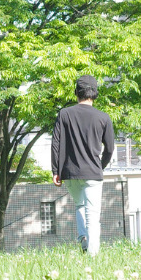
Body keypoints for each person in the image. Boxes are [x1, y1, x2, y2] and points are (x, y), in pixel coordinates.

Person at [51, 75, 115, 256]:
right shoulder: (104, 117)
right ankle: (92, 256)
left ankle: (84, 241)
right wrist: (100, 166)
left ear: (76, 92)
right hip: (93, 173)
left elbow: (55, 143)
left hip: (69, 173)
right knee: (92, 215)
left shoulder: (64, 114)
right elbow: (110, 148)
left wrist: (55, 170)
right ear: (95, 93)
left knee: (80, 206)